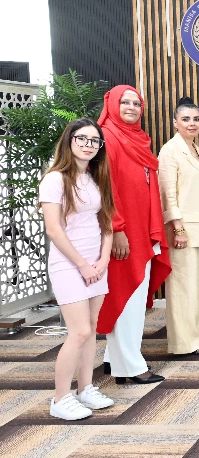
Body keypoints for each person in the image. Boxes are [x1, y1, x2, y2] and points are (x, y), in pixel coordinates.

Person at [41, 119, 116, 420]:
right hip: (68, 264)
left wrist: (103, 260)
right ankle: (60, 399)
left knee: (92, 328)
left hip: (95, 263)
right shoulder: (55, 179)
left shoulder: (97, 177)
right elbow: (54, 230)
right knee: (80, 331)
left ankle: (85, 389)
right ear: (69, 141)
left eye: (94, 140)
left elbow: (107, 222)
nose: (88, 144)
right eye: (81, 138)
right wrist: (83, 265)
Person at [98, 85, 170, 384]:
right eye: (125, 102)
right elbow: (106, 188)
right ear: (112, 105)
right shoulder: (107, 137)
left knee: (133, 295)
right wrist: (116, 230)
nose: (131, 107)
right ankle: (130, 367)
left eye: (136, 103)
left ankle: (113, 358)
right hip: (124, 233)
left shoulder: (138, 138)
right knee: (127, 294)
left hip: (141, 228)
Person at [158, 97, 199, 355]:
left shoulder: (196, 148)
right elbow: (168, 194)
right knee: (183, 288)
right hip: (183, 231)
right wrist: (178, 228)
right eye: (185, 119)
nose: (191, 123)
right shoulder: (170, 151)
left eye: (196, 119)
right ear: (175, 123)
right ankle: (184, 342)